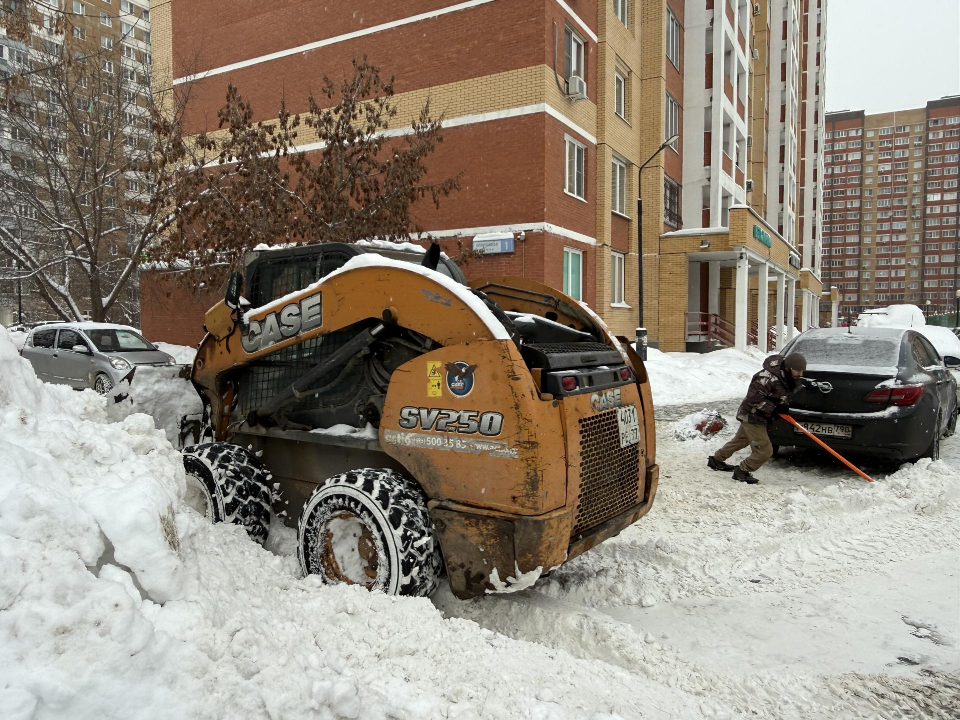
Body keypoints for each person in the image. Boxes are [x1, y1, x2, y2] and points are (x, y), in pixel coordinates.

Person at [707, 352, 807, 484]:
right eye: (797, 371)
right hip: (753, 415)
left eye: (802, 371)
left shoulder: (787, 376)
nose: (800, 374)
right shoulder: (766, 378)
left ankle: (716, 460)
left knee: (741, 440)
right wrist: (774, 408)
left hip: (762, 416)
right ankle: (742, 470)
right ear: (788, 368)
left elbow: (781, 393)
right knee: (765, 451)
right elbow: (752, 400)